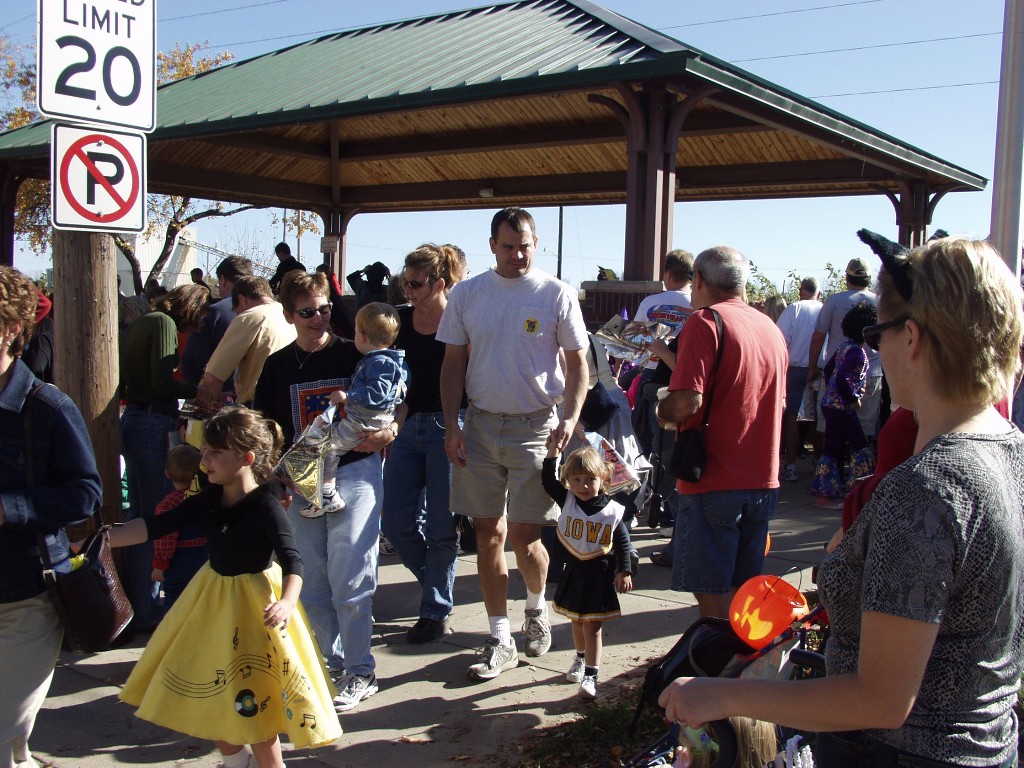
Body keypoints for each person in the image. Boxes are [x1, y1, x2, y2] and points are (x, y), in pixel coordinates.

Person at [659, 236, 1024, 768]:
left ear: (912, 337)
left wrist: (720, 693)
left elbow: (880, 700)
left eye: (878, 335)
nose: (876, 353)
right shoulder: (1009, 448)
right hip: (988, 745)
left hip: (898, 754)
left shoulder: (926, 488)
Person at [110, 406, 341, 768]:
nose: (204, 459)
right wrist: (103, 539)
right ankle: (237, 762)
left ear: (246, 458)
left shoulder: (265, 506)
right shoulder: (209, 499)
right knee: (215, 696)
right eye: (204, 450)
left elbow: (293, 562)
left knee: (256, 699)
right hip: (214, 602)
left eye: (215, 452)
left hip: (255, 607)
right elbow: (156, 525)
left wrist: (286, 602)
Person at [438, 207, 589, 680]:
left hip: (537, 427)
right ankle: (499, 636)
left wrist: (569, 419)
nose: (517, 255)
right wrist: (452, 426)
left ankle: (536, 608)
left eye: (524, 246)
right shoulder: (467, 294)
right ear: (492, 246)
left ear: (535, 244)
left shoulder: (556, 293)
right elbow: (453, 364)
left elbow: (578, 364)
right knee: (488, 534)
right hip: (480, 426)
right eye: (508, 247)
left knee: (526, 538)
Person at [253, 270, 396, 714]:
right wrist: (272, 478)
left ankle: (360, 670)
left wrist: (390, 430)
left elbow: (395, 396)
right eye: (307, 312)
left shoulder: (356, 353)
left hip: (354, 473)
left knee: (351, 578)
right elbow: (267, 428)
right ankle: (329, 667)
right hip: (298, 482)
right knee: (311, 581)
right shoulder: (277, 366)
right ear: (288, 315)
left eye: (325, 309)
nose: (318, 319)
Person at [0, 265, 102, 768]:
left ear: (11, 329)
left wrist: (9, 508)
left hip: (26, 598)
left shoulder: (46, 406)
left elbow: (86, 495)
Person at [655, 246, 787, 619]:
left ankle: (720, 652)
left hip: (714, 478)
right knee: (743, 592)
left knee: (711, 597)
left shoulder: (705, 322)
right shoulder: (770, 327)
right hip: (763, 479)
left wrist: (662, 410)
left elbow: (687, 401)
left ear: (698, 280)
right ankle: (736, 652)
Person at [380, 243, 468, 644]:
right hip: (407, 426)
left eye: (416, 284)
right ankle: (436, 584)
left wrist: (459, 429)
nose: (408, 291)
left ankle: (434, 610)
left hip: (449, 425)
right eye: (406, 283)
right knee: (395, 524)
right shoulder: (398, 320)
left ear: (440, 284)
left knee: (440, 528)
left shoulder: (460, 320)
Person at [120, 282, 211, 632]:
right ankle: (143, 609)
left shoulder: (147, 320)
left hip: (138, 420)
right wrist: (199, 391)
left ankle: (137, 604)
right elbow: (161, 383)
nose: (200, 323)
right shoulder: (163, 323)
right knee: (155, 518)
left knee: (140, 514)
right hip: (150, 422)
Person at [541, 446, 632, 700]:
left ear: (603, 477)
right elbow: (548, 481)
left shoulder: (612, 510)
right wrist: (552, 453)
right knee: (577, 622)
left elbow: (623, 541)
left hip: (599, 577)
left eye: (590, 479)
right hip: (574, 572)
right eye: (577, 479)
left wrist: (624, 570)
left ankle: (591, 675)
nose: (583, 486)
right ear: (568, 480)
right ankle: (580, 659)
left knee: (592, 627)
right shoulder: (568, 500)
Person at [315, 303, 408, 516]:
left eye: (356, 331)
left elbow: (378, 392)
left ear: (363, 336)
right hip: (375, 420)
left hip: (365, 420)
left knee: (327, 445)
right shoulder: (393, 361)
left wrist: (348, 396)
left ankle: (328, 493)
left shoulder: (379, 363)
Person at [809, 302, 877, 506]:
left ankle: (847, 490)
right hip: (842, 407)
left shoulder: (845, 347)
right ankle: (834, 493)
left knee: (845, 445)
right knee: (851, 446)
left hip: (833, 405)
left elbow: (830, 370)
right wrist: (853, 397)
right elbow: (842, 377)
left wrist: (835, 392)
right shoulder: (856, 352)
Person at [808, 257, 881, 445]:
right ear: (868, 279)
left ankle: (826, 461)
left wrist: (812, 367)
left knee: (829, 425)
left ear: (847, 278)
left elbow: (818, 337)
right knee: (863, 429)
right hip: (870, 373)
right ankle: (858, 462)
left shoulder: (834, 301)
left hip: (837, 373)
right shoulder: (879, 302)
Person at [633, 249, 695, 456]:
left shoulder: (649, 302)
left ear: (668, 274)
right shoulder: (697, 304)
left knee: (649, 433)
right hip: (687, 376)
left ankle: (653, 471)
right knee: (678, 434)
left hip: (653, 372)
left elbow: (635, 338)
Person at [199, 276, 296, 408]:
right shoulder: (290, 314)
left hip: (258, 404)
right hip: (288, 400)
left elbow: (213, 377)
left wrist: (214, 400)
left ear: (241, 299)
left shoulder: (251, 316)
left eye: (238, 311)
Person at [151, 444, 207, 617]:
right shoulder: (205, 497)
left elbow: (165, 539)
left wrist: (159, 565)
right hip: (204, 557)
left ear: (167, 473)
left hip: (179, 562)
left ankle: (172, 630)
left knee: (174, 600)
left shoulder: (168, 505)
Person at [775, 277, 823, 482]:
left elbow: (780, 340)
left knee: (792, 416)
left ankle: (791, 465)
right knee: (818, 418)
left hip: (794, 368)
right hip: (820, 368)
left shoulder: (794, 309)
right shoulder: (824, 309)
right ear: (818, 292)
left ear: (801, 290)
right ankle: (819, 463)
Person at [181, 256, 254, 387]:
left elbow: (192, 361)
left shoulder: (215, 313)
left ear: (223, 280)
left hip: (221, 393)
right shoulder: (272, 312)